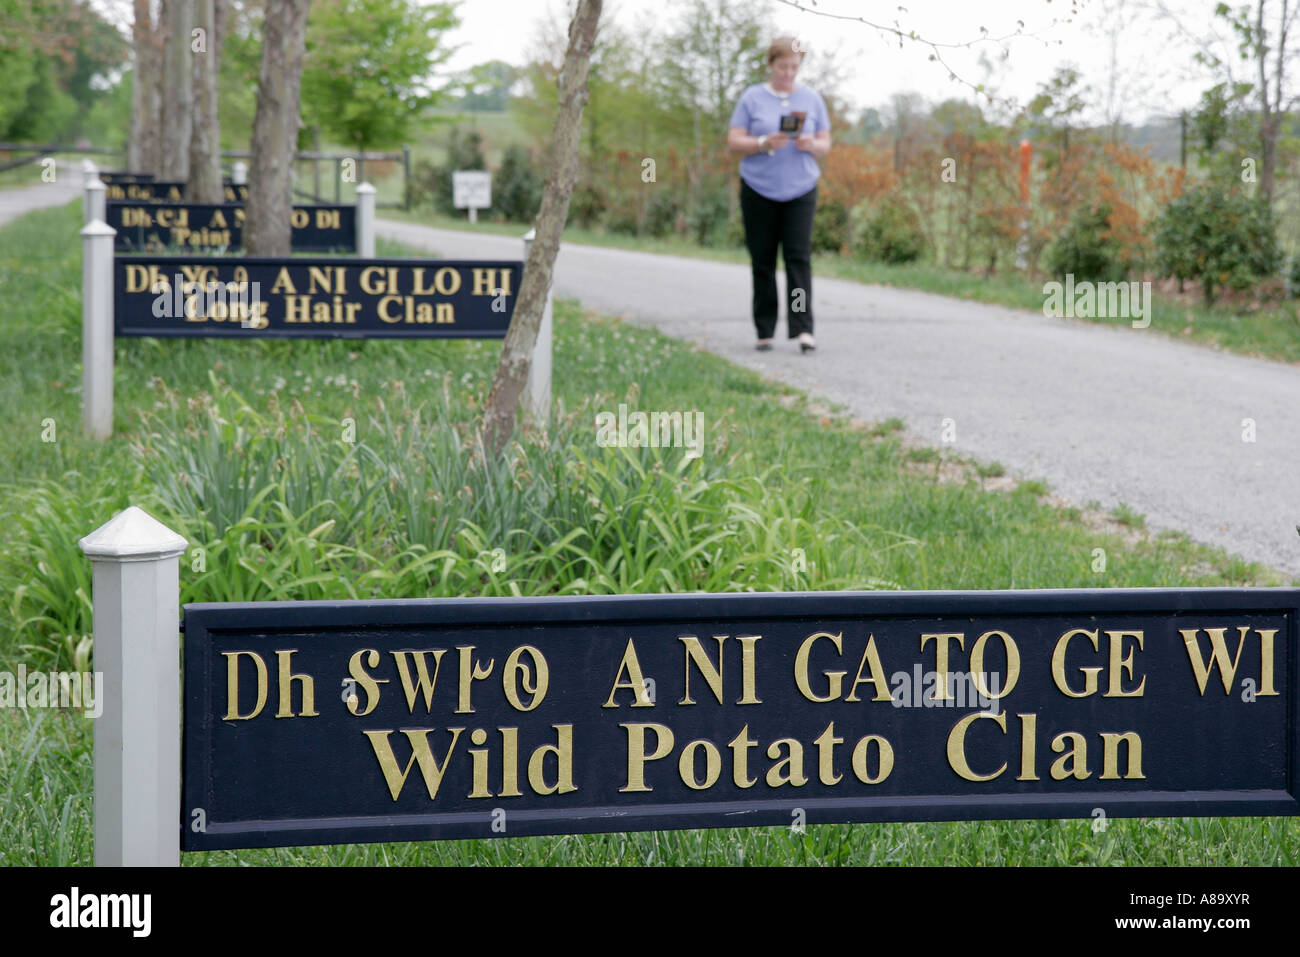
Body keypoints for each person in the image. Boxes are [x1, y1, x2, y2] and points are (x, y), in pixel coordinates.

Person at [727, 36, 832, 354]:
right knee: (763, 260)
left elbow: (826, 143)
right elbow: (734, 141)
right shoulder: (751, 98)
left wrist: (811, 144)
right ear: (771, 65)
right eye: (783, 66)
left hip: (800, 189)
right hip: (759, 189)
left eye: (794, 67)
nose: (788, 73)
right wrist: (762, 143)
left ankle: (802, 328)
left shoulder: (812, 99)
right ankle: (764, 328)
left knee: (798, 259)